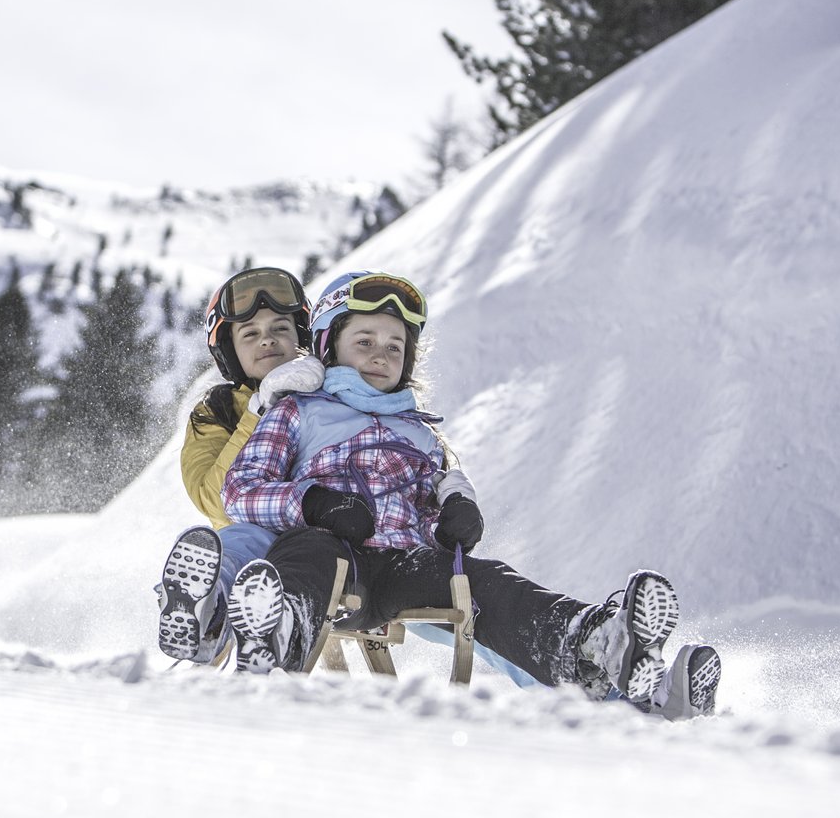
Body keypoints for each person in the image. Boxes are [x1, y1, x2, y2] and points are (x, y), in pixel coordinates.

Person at [219, 269, 719, 716]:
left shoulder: (420, 433)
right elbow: (240, 490)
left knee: (486, 582)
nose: (380, 355)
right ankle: (275, 636)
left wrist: (456, 512)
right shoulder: (299, 410)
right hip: (334, 557)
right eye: (364, 340)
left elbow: (443, 489)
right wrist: (312, 503)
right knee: (309, 553)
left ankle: (600, 645)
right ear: (329, 346)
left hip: (403, 563)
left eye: (394, 347)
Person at [154, 266, 328, 667]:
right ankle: (204, 611)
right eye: (250, 334)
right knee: (237, 542)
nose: (267, 339)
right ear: (230, 350)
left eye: (280, 328)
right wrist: (258, 410)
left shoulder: (334, 393)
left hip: (322, 534)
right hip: (252, 533)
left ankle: (238, 626)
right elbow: (213, 500)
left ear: (301, 337)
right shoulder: (216, 412)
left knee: (294, 550)